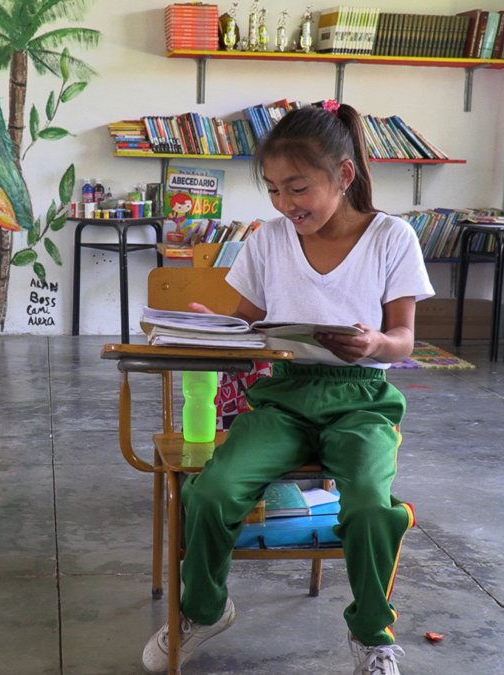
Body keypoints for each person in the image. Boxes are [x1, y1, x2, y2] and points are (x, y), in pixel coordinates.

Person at [140, 100, 434, 675]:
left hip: (362, 402)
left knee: (371, 506)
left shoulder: (391, 237)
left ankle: (372, 636)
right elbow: (247, 329)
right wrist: (213, 330)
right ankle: (205, 610)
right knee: (211, 491)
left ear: (343, 175)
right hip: (284, 396)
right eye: (274, 190)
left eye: (297, 188)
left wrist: (374, 343)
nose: (284, 204)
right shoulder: (268, 240)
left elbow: (403, 340)